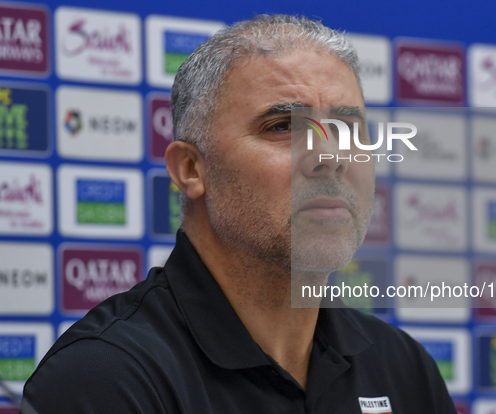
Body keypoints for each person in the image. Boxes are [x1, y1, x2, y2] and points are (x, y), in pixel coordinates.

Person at [22, 15, 456, 413]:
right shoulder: (105, 377)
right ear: (191, 169)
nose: (331, 156)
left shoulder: (404, 367)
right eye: (283, 126)